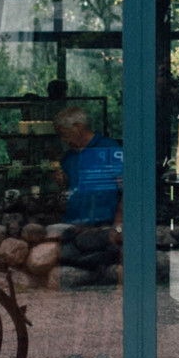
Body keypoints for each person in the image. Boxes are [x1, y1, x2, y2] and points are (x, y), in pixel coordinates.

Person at [55, 106, 124, 275]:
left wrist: (118, 225)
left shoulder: (109, 149)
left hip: (104, 227)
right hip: (75, 227)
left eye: (64, 133)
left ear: (77, 127)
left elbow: (127, 190)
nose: (63, 140)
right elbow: (68, 195)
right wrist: (62, 185)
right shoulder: (68, 158)